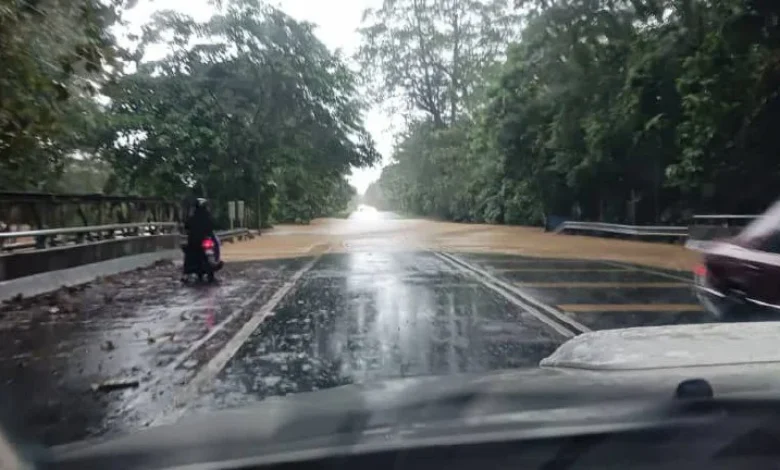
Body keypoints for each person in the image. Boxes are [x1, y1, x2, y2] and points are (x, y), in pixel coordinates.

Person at [182, 198, 220, 279]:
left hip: (194, 242)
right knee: (215, 245)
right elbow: (214, 225)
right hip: (205, 240)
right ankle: (214, 262)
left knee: (188, 252)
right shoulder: (208, 217)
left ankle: (187, 271)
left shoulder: (192, 217)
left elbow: (186, 226)